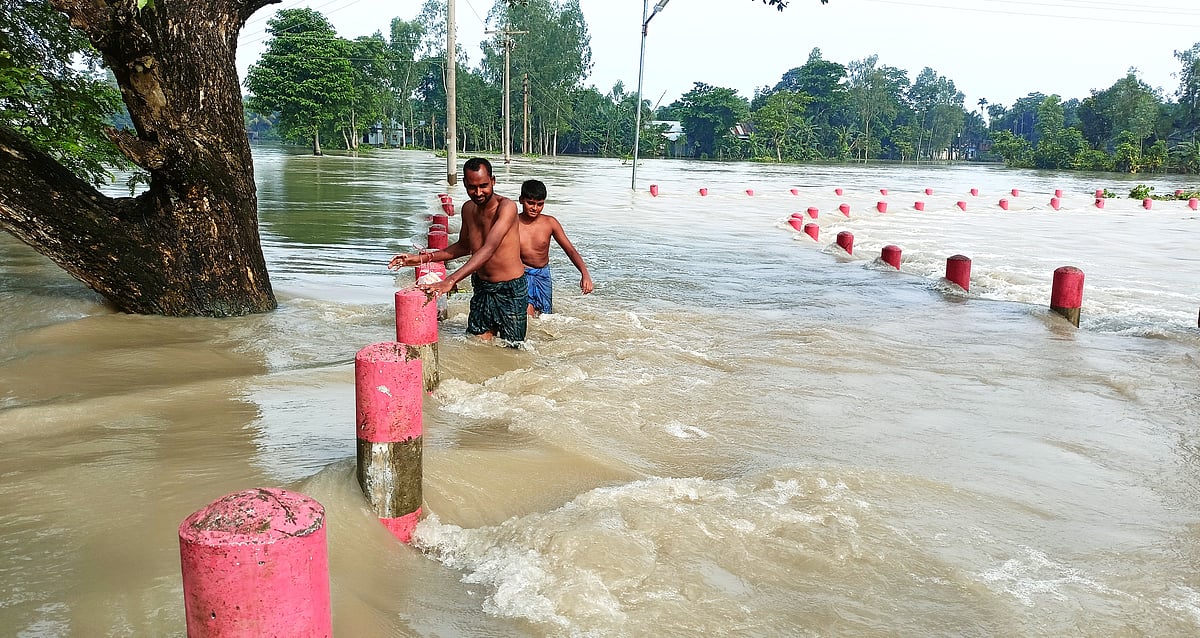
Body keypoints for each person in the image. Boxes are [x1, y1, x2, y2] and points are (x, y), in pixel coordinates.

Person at [389, 158, 528, 344]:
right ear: (464, 184)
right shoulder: (468, 209)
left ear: (493, 181)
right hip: (482, 287)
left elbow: (489, 248)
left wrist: (450, 280)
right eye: (472, 187)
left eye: (483, 186)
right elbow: (464, 246)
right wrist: (422, 258)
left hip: (510, 288)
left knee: (512, 347)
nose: (478, 192)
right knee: (476, 342)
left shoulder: (506, 207)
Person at [517, 179, 593, 317]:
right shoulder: (512, 223)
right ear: (521, 200)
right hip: (521, 274)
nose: (535, 208)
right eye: (531, 203)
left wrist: (584, 273)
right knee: (527, 315)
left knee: (545, 316)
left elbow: (569, 249)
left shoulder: (550, 223)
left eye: (540, 204)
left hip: (543, 275)